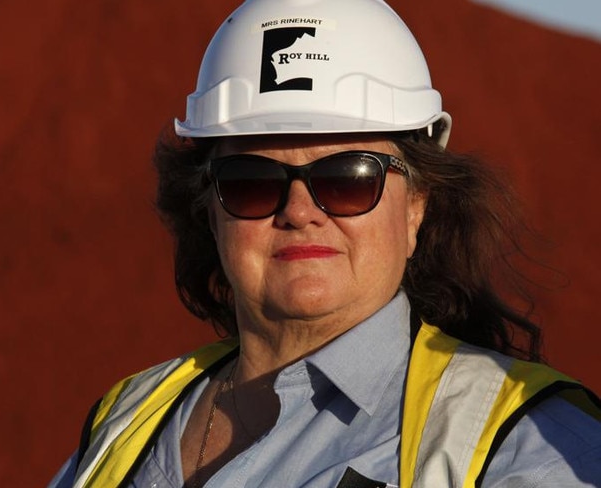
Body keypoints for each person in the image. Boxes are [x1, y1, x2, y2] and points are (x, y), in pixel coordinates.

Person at [50, 0, 601, 486]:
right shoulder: (122, 426)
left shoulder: (528, 448)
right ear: (209, 212)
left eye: (348, 178)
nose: (299, 212)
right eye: (252, 182)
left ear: (416, 206)